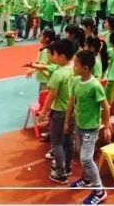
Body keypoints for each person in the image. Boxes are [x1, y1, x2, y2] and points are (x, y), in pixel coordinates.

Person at [65, 49, 111, 206]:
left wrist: (106, 126)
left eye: (76, 64)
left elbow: (105, 106)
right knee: (80, 152)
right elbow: (71, 102)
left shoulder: (95, 86)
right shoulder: (76, 82)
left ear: (85, 68)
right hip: (79, 125)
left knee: (86, 158)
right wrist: (67, 121)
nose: (73, 66)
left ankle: (99, 190)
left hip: (91, 129)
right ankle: (86, 179)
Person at [37, 38, 76, 185]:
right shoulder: (74, 70)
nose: (52, 57)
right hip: (72, 111)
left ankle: (60, 173)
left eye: (53, 54)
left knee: (57, 143)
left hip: (60, 112)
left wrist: (43, 113)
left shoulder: (58, 75)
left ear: (62, 57)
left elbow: (51, 95)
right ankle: (68, 167)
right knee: (69, 140)